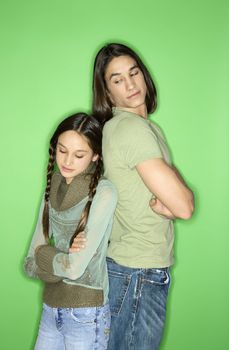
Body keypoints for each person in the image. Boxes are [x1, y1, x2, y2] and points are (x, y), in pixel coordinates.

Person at [71, 43, 194, 350]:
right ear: (107, 93)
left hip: (128, 269)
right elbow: (185, 205)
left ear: (144, 76)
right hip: (138, 273)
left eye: (133, 72)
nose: (130, 84)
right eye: (116, 79)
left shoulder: (131, 127)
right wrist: (174, 201)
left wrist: (171, 202)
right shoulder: (132, 130)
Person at [24, 113, 117, 350]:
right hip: (50, 306)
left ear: (95, 155)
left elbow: (74, 269)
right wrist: (61, 257)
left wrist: (46, 256)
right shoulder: (52, 186)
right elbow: (29, 262)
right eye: (62, 150)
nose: (67, 161)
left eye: (79, 155)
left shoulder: (104, 192)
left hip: (87, 314)